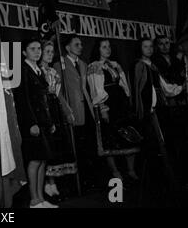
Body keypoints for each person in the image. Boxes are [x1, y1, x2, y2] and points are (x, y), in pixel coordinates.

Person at [133, 37, 183, 205]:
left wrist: (182, 87)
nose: (149, 49)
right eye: (145, 47)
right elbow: (139, 93)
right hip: (149, 114)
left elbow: (165, 88)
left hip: (159, 112)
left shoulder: (153, 66)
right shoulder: (139, 66)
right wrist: (145, 110)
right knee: (153, 148)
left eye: (150, 46)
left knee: (163, 146)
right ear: (140, 49)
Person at [87, 39, 140, 181]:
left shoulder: (115, 65)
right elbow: (96, 90)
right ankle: (116, 172)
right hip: (108, 104)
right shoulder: (94, 66)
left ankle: (131, 170)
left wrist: (127, 100)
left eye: (109, 46)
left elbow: (124, 85)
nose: (107, 49)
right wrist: (103, 108)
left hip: (121, 103)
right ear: (98, 50)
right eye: (104, 47)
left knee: (128, 135)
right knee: (110, 138)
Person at [14, 39, 58, 208]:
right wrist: (32, 123)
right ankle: (33, 200)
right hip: (32, 123)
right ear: (24, 52)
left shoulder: (38, 70)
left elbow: (44, 99)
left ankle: (41, 199)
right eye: (32, 49)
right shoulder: (23, 69)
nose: (37, 51)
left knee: (42, 160)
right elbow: (23, 99)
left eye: (39, 48)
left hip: (43, 122)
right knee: (34, 160)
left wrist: (50, 121)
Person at [53, 35, 96, 191]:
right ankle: (73, 185)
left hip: (85, 110)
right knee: (74, 148)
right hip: (72, 112)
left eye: (81, 44)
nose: (80, 47)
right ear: (67, 48)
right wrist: (66, 110)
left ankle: (88, 181)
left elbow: (85, 89)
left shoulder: (84, 64)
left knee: (87, 148)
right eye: (76, 44)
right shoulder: (60, 65)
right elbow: (58, 92)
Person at [38, 40, 77, 199]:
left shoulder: (53, 72)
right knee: (49, 147)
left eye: (51, 52)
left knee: (60, 146)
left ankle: (57, 185)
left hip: (55, 108)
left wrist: (67, 110)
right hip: (45, 109)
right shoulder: (37, 71)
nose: (50, 54)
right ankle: (49, 183)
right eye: (46, 51)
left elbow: (58, 94)